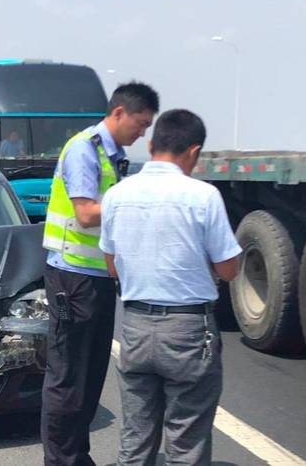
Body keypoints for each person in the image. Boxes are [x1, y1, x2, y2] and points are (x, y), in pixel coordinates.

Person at [99, 109, 241, 465]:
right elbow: (229, 268)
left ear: (150, 144)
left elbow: (112, 263)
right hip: (188, 331)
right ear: (193, 151)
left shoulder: (118, 194)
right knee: (186, 441)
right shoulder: (203, 196)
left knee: (135, 438)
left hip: (135, 326)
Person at [41, 82, 159, 466]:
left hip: (96, 278)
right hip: (72, 279)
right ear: (119, 113)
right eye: (140, 124)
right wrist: (132, 200)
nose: (142, 133)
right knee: (67, 380)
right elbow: (86, 213)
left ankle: (78, 456)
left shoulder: (113, 155)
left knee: (90, 378)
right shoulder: (84, 149)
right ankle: (62, 461)